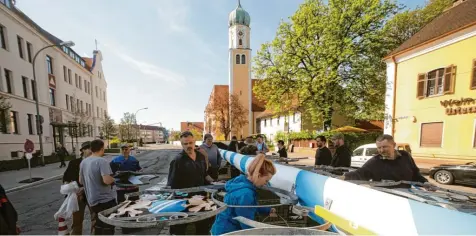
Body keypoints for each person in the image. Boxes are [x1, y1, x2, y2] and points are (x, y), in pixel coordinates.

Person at [211, 154, 278, 235]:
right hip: (228, 232)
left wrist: (268, 210)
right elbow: (246, 224)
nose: (265, 184)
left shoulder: (242, 182)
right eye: (266, 180)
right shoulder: (246, 194)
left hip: (221, 227)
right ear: (259, 175)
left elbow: (250, 206)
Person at [167, 131, 212, 235]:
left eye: (190, 143)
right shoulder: (177, 161)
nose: (188, 146)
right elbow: (171, 185)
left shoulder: (200, 156)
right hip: (183, 201)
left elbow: (204, 174)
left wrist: (214, 182)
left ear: (194, 142)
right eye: (185, 144)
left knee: (203, 228)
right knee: (179, 229)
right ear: (181, 144)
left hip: (201, 198)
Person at [343, 134, 428, 188]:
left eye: (385, 147)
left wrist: (425, 183)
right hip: (385, 198)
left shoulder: (405, 156)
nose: (381, 150)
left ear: (393, 145)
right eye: (379, 148)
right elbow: (359, 174)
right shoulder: (375, 161)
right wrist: (343, 177)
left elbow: (415, 175)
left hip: (407, 197)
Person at [79, 139, 117, 235]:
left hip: (92, 200)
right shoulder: (101, 161)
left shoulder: (84, 162)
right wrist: (114, 179)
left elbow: (80, 181)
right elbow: (106, 180)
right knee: (108, 226)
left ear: (91, 149)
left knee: (98, 225)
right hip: (105, 200)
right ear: (102, 148)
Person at [62, 141, 94, 235]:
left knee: (95, 218)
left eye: (91, 148)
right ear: (83, 150)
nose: (90, 150)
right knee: (77, 220)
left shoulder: (96, 162)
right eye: (88, 148)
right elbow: (66, 178)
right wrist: (73, 190)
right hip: (78, 195)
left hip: (92, 194)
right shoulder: (74, 163)